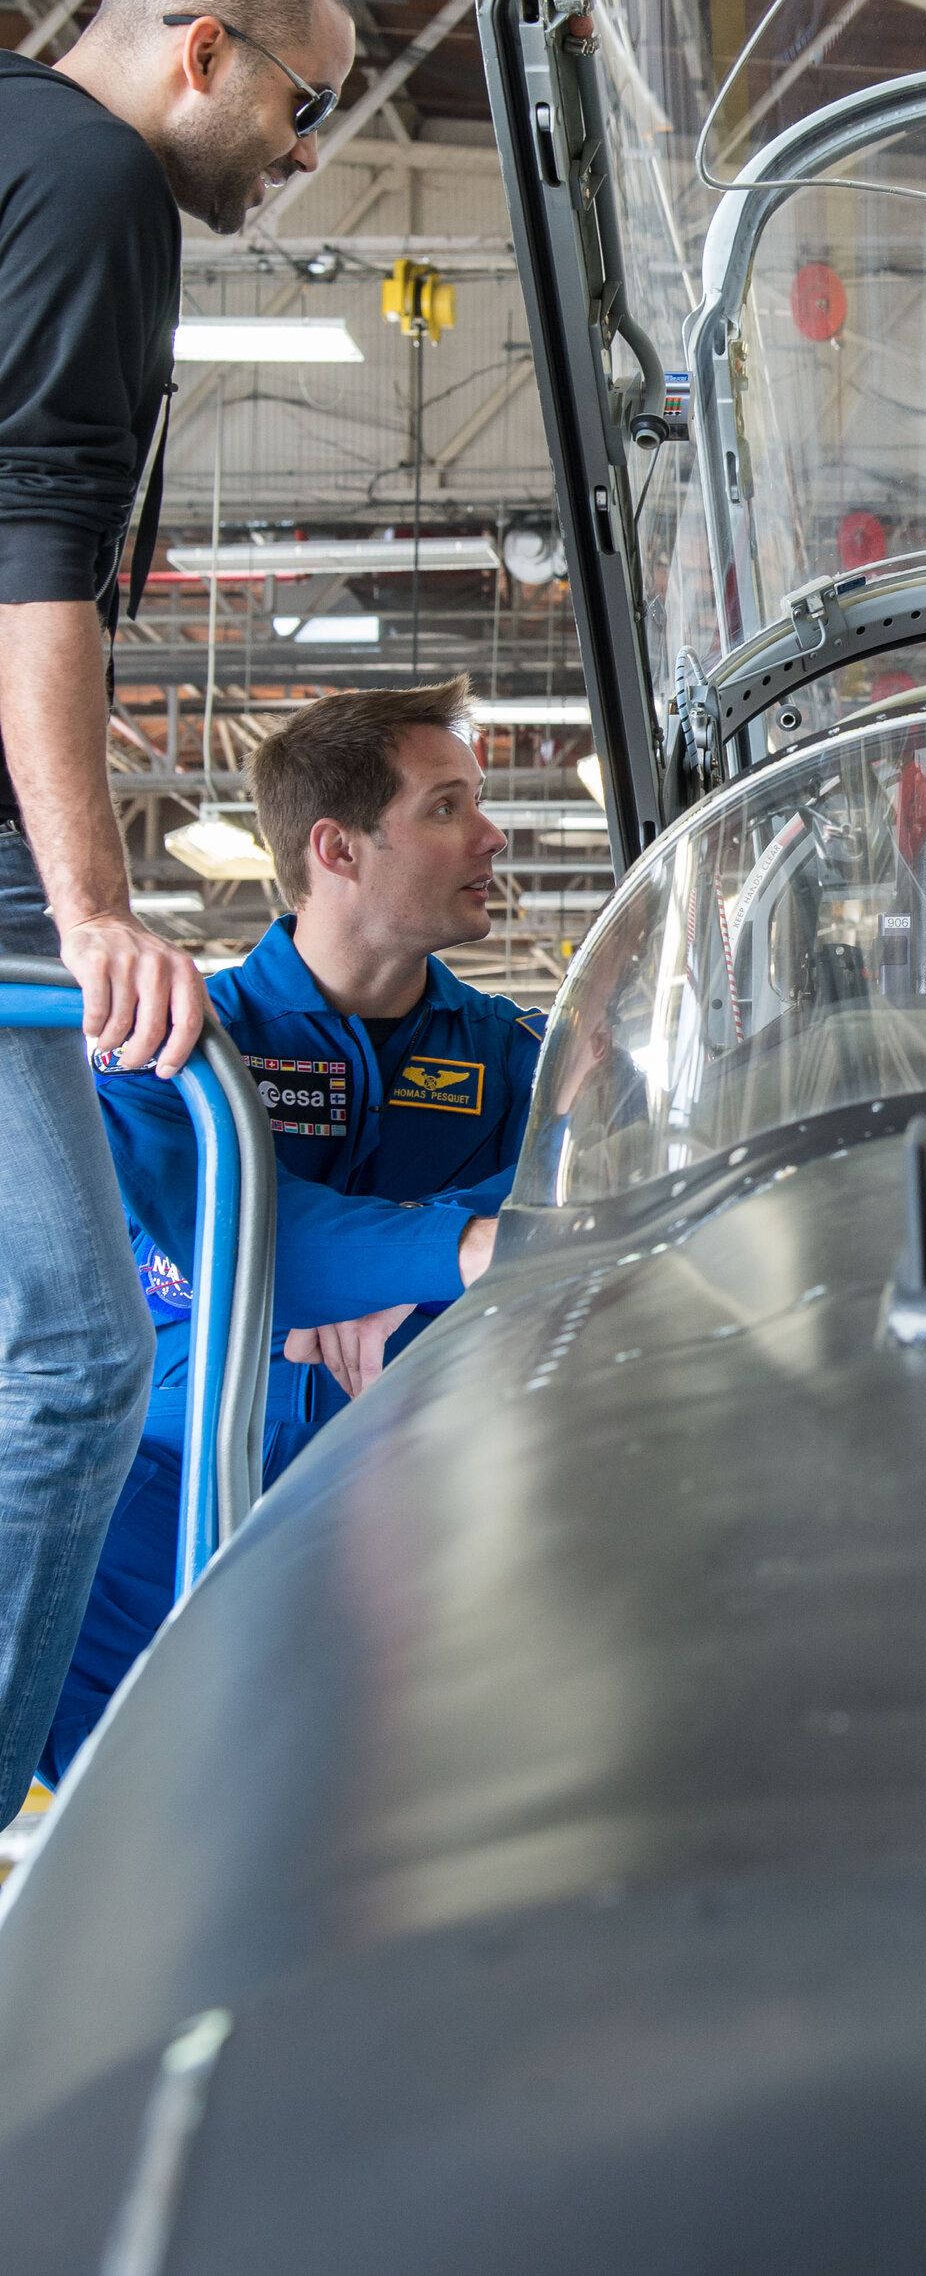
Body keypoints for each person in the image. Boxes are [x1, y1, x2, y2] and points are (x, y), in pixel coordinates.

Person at [0, 0, 355, 1822]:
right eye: (304, 108)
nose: (305, 160)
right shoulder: (96, 187)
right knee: (72, 1370)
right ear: (200, 48)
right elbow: (33, 567)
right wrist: (87, 909)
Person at [43, 678, 543, 1779]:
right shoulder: (167, 1042)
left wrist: (395, 1284)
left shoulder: (517, 1054)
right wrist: (456, 1252)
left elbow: (585, 1186)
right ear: (340, 847)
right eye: (449, 805)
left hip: (416, 1514)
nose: (493, 834)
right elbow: (236, 1236)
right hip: (161, 1522)